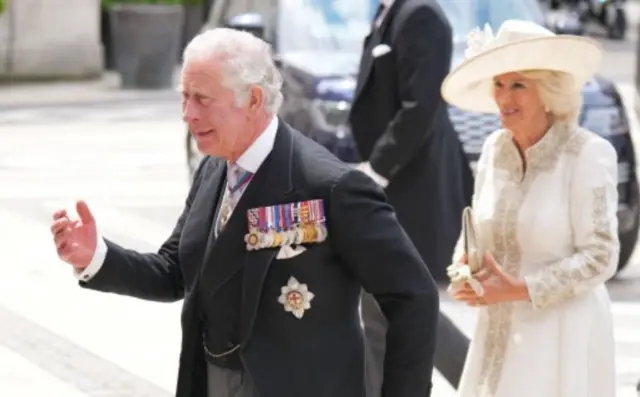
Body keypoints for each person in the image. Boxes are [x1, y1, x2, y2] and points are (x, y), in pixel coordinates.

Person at [50, 28, 440, 397]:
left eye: (202, 99)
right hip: (211, 379)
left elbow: (412, 296)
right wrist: (95, 256)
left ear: (253, 100)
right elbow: (176, 271)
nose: (188, 114)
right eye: (183, 96)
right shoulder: (214, 168)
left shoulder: (332, 186)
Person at [442, 20, 618, 397]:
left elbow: (602, 256)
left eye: (519, 84)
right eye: (499, 84)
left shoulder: (587, 154)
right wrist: (463, 269)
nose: (504, 97)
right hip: (497, 330)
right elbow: (476, 227)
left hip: (560, 336)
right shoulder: (494, 148)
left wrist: (522, 289)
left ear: (549, 92)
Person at [348, 0, 474, 390]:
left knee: (402, 302)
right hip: (394, 185)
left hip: (413, 187)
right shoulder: (391, 12)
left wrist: (377, 168)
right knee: (384, 303)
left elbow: (422, 105)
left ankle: (485, 377)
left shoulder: (421, 14)